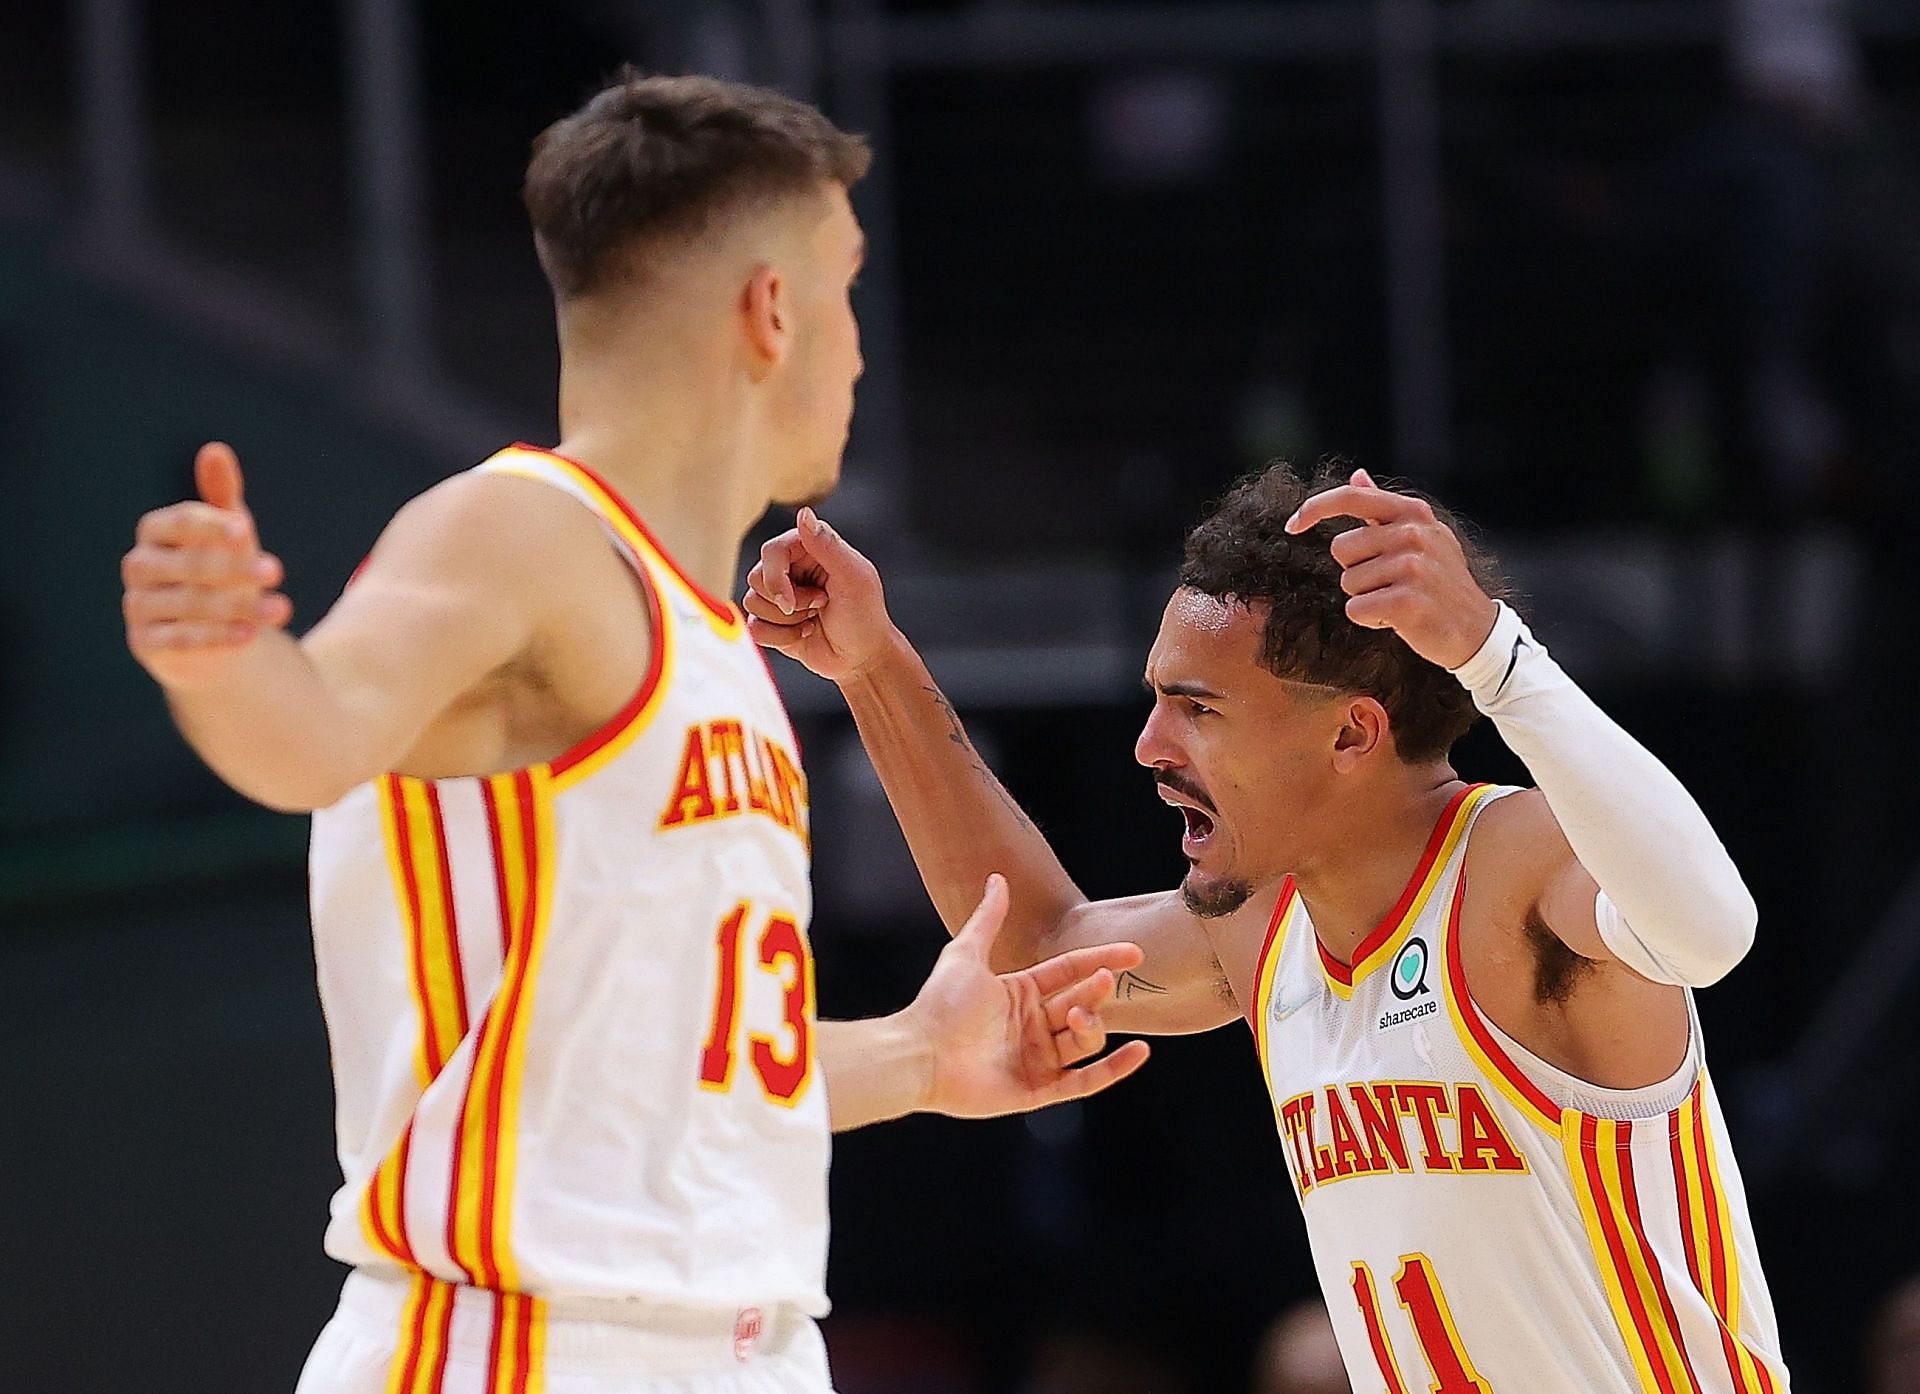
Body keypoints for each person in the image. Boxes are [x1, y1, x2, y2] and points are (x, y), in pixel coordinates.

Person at [120, 72, 1147, 1394]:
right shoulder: (518, 533)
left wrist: (919, 1056)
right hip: (520, 1348)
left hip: (735, 1346)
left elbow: (672, 1070)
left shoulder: (708, 632)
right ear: (773, 310)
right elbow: (313, 730)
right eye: (844, 287)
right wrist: (215, 658)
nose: (860, 345)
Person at [746, 461, 1791, 1393]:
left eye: (1197, 708)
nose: (1149, 745)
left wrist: (1497, 657)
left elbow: (1709, 932)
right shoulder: (1260, 926)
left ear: (1351, 730)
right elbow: (1038, 945)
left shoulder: (1517, 866)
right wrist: (874, 665)